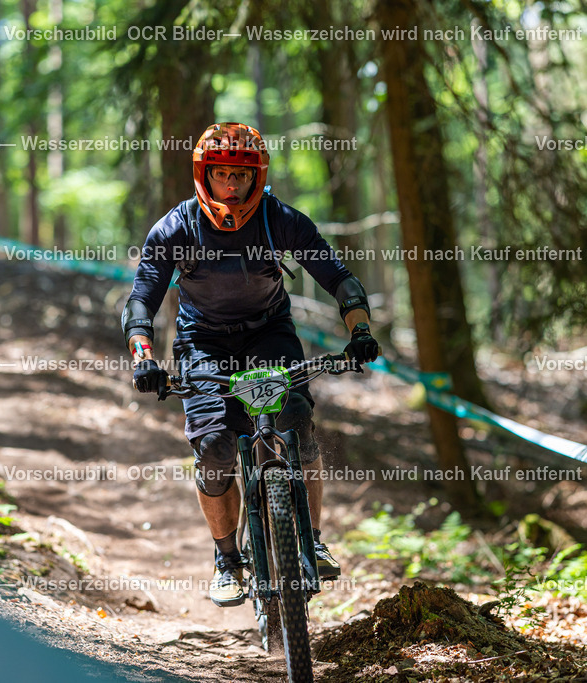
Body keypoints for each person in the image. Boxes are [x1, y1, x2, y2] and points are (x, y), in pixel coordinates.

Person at [122, 122, 380, 607]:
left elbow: (338, 277)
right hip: (203, 343)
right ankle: (226, 559)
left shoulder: (279, 219)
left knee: (296, 419)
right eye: (223, 175)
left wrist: (360, 331)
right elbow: (141, 302)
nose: (233, 186)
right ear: (205, 175)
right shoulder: (176, 229)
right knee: (216, 447)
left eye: (243, 176)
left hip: (269, 333)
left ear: (258, 177)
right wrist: (144, 358)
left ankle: (313, 538)